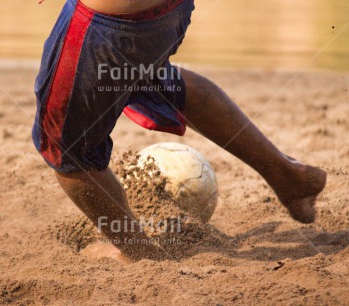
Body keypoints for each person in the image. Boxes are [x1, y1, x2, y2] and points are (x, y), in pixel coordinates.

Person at [32, 0, 327, 261]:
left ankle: (138, 255)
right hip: (167, 11)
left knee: (66, 148)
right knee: (156, 81)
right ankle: (287, 175)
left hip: (111, 20)